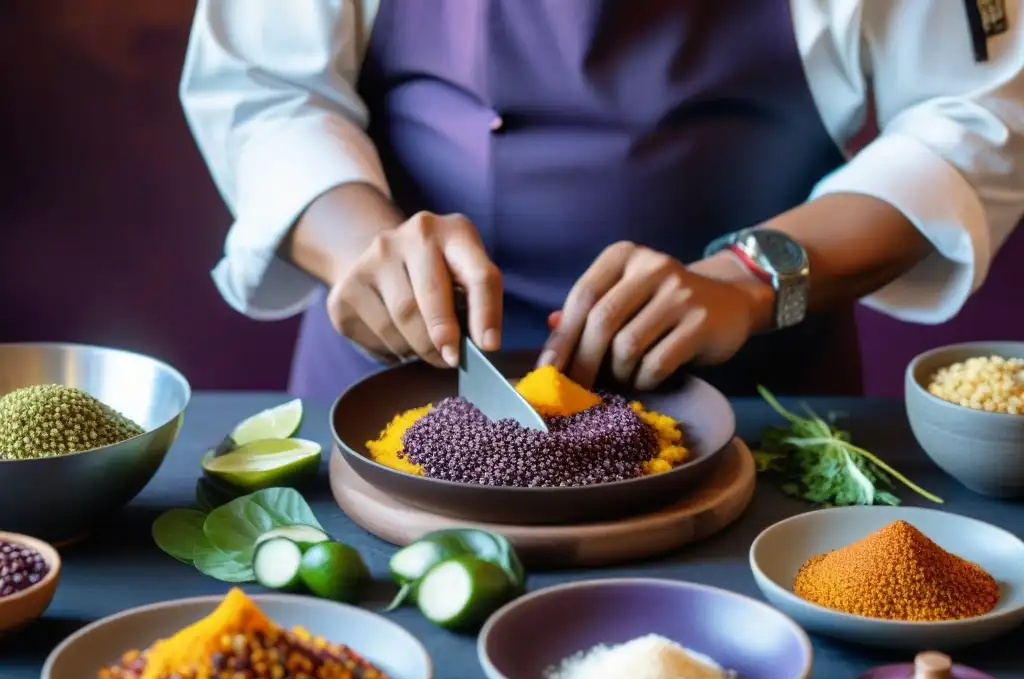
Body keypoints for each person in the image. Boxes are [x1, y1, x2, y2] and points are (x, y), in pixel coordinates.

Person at [180, 0, 1024, 401]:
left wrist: (745, 282)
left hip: (756, 408)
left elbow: (977, 116)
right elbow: (265, 87)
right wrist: (361, 249)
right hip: (401, 391)